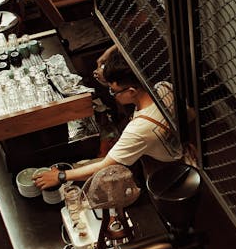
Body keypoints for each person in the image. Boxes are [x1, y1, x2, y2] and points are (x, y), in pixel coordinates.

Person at [33, 46, 184, 190]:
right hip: (179, 147)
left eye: (114, 91)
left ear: (131, 91)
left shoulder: (138, 130)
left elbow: (106, 166)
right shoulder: (164, 87)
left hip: (166, 167)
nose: (113, 95)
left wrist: (61, 175)